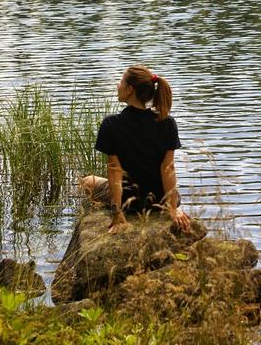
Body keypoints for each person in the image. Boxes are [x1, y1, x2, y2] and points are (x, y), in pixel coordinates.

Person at [80, 65, 190, 234]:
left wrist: (117, 214)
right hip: (159, 200)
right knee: (176, 194)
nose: (118, 85)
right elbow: (168, 168)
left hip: (128, 202)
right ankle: (175, 208)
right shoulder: (167, 122)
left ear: (130, 89)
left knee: (87, 181)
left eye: (121, 81)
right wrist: (173, 208)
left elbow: (115, 170)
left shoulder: (111, 124)